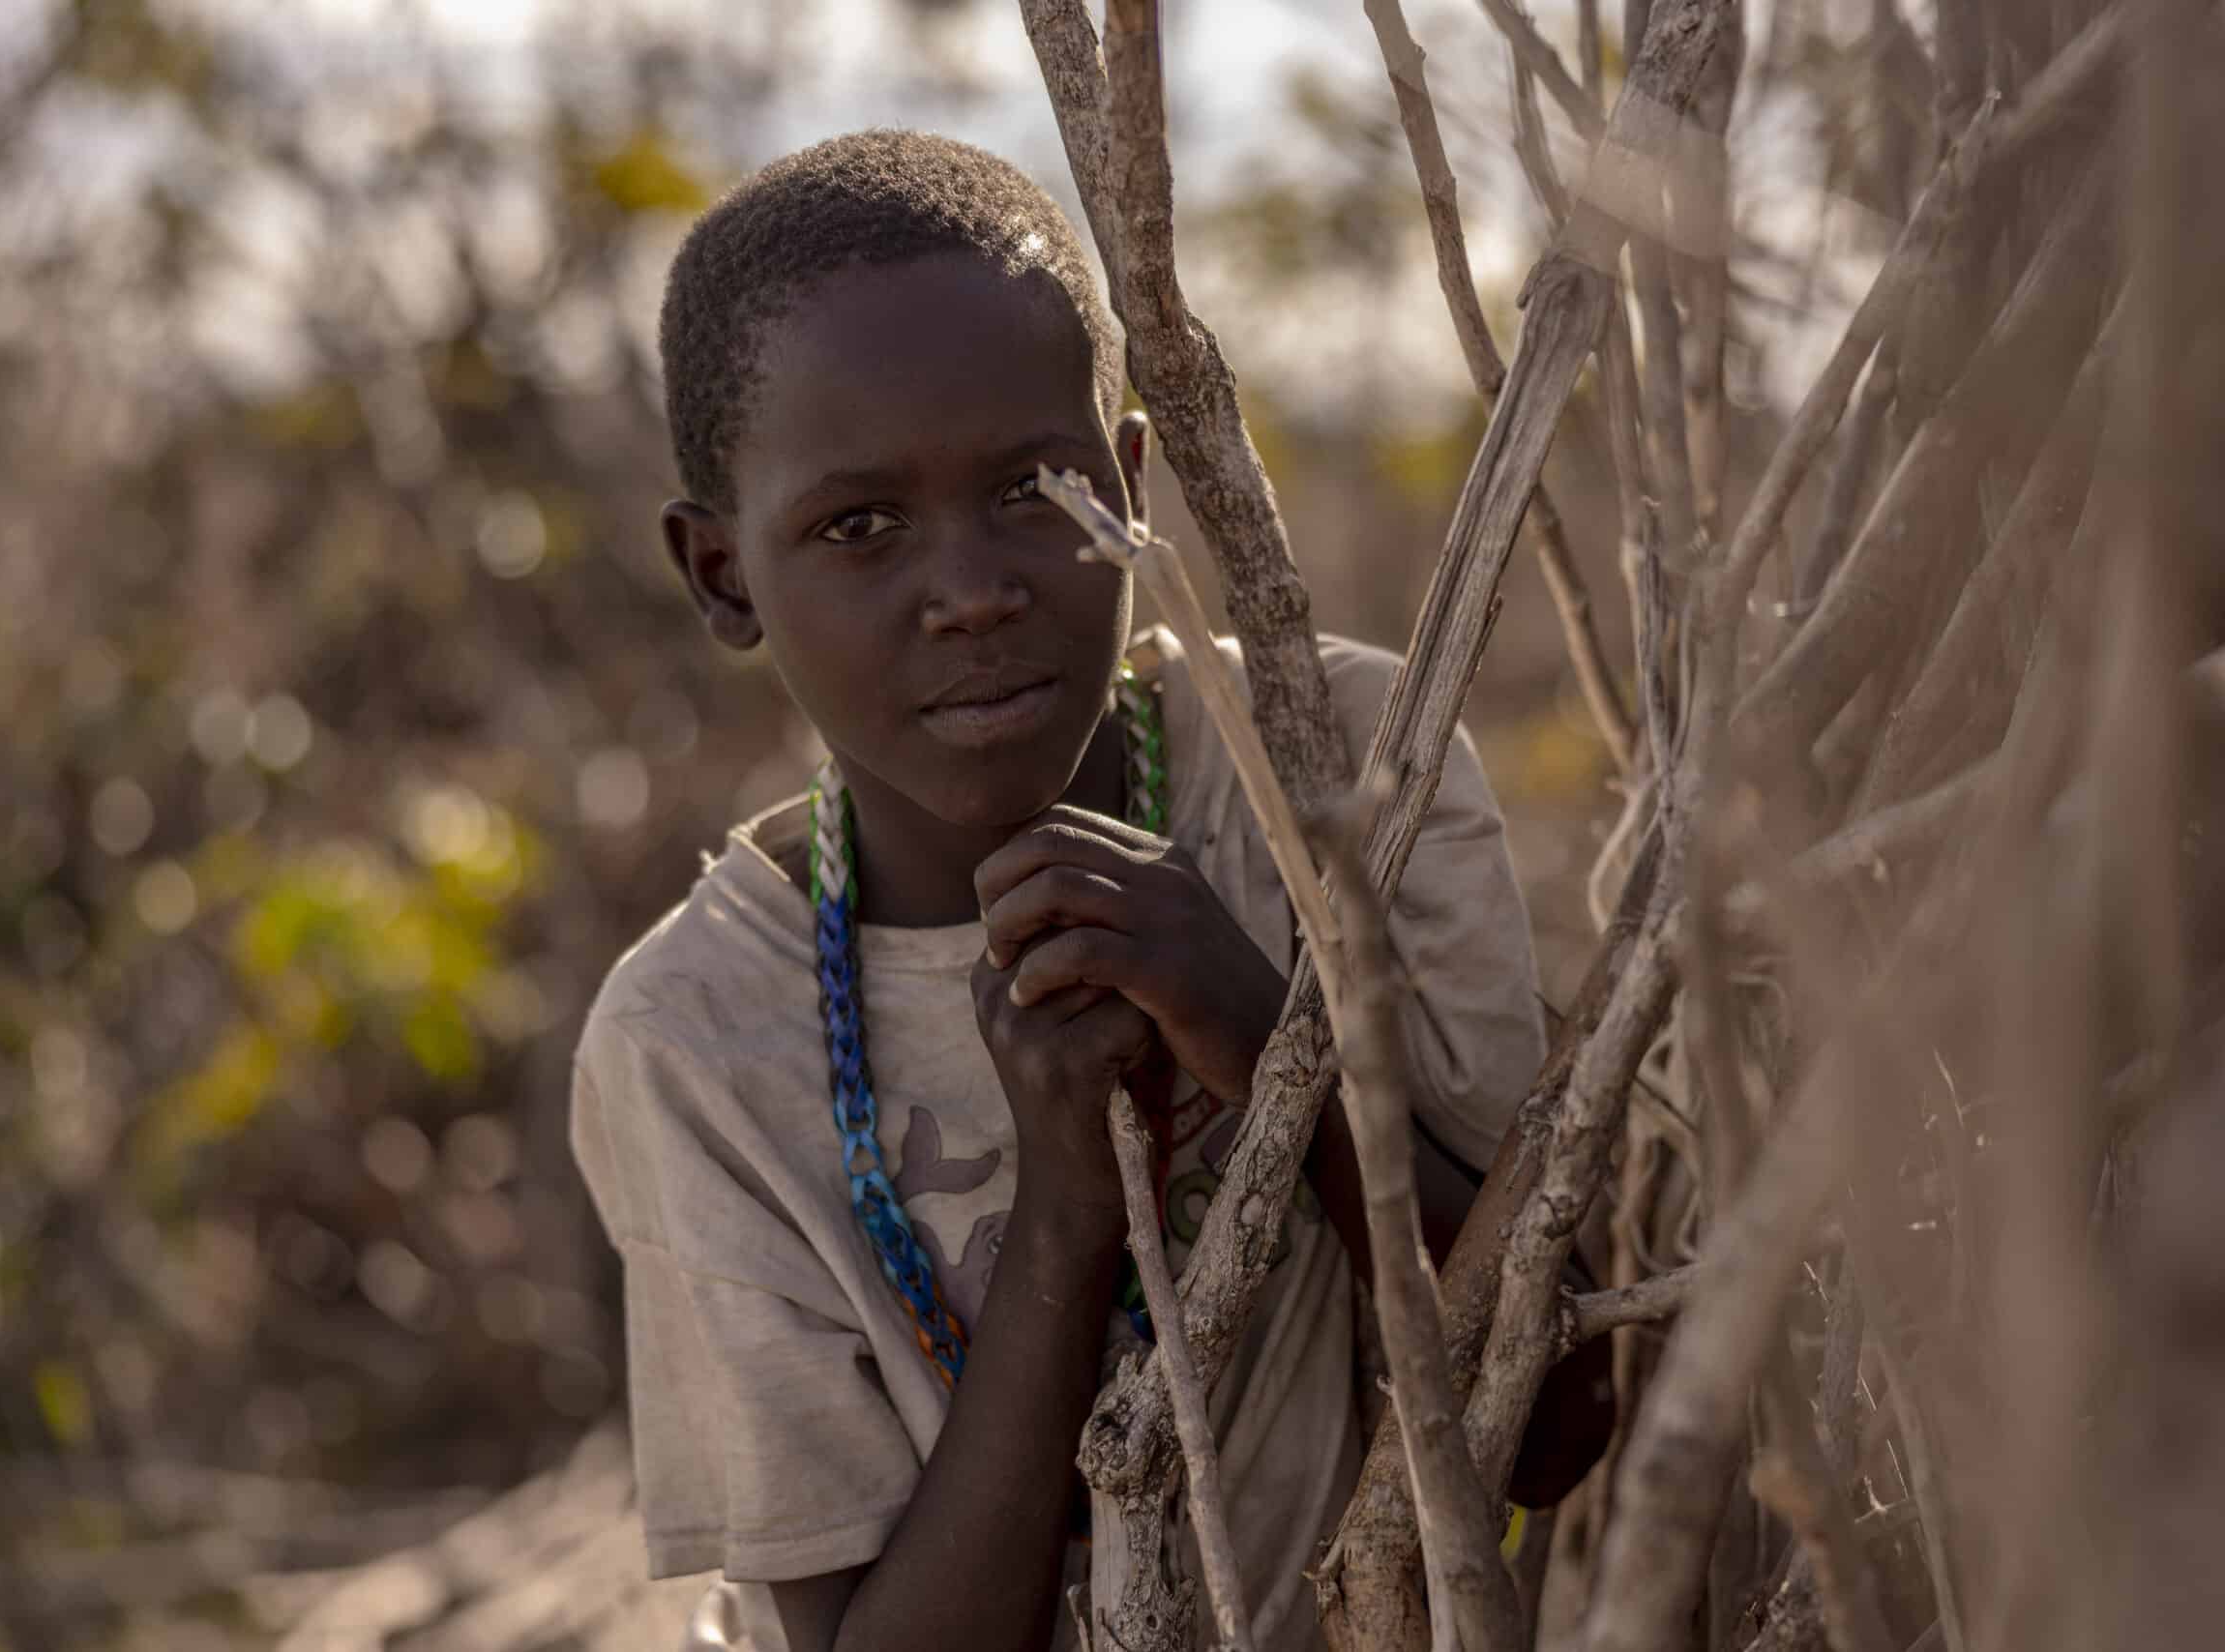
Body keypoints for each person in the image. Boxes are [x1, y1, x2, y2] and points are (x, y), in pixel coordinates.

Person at [569, 129, 1610, 1652]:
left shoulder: (1338, 780)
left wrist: (1268, 1045)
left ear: (1129, 483)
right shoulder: (695, 1044)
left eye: (1035, 489)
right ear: (724, 575)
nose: (975, 589)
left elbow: (1563, 1419)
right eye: (858, 527)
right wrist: (1066, 1213)